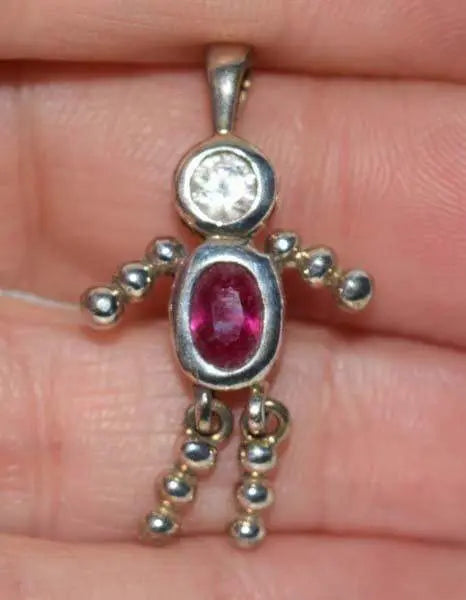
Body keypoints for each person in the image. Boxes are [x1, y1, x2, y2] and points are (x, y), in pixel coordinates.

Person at [0, 1, 465, 597]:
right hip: (218, 356)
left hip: (240, 354)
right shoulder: (228, 255)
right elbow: (151, 275)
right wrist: (120, 294)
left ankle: (200, 516)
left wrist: (117, 297)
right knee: (221, 435)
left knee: (244, 436)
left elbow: (308, 269)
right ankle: (197, 515)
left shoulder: (242, 255)